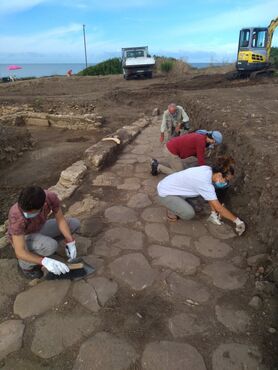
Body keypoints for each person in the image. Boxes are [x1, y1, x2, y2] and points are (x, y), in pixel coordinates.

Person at [157, 156, 245, 235]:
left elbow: (210, 195)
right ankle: (172, 209)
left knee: (198, 199)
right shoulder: (205, 183)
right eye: (226, 180)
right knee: (189, 213)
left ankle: (178, 202)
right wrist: (238, 221)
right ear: (219, 175)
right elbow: (219, 208)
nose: (226, 183)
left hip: (170, 184)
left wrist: (213, 213)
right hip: (165, 192)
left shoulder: (208, 170)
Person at [8, 186, 80, 279]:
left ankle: (42, 248)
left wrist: (70, 241)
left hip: (39, 227)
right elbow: (20, 251)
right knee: (51, 246)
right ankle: (27, 267)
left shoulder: (50, 197)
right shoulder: (16, 215)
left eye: (31, 212)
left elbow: (61, 220)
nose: (27, 214)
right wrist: (44, 262)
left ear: (42, 206)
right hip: (23, 237)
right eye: (25, 212)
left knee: (74, 224)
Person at [151, 130, 223, 176]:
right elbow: (200, 159)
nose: (214, 144)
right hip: (171, 151)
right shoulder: (201, 141)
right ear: (213, 140)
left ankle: (155, 162)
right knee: (179, 174)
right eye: (215, 142)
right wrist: (205, 171)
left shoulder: (201, 136)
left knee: (179, 165)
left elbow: (198, 154)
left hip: (169, 147)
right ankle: (158, 167)